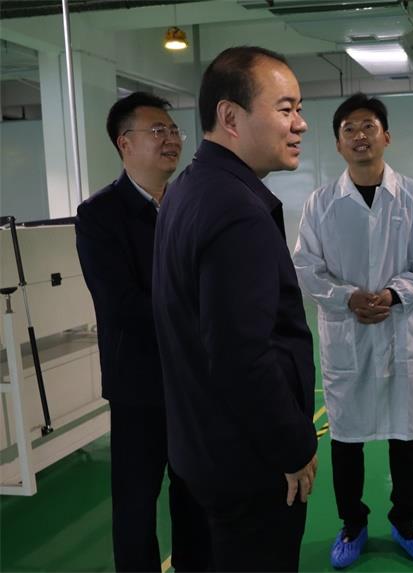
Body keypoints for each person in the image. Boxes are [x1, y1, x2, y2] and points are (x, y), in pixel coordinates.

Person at [151, 47, 318, 572]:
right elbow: (242, 356)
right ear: (230, 116)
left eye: (299, 109)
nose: (300, 124)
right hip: (248, 465)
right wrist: (292, 447)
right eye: (286, 109)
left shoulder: (186, 191)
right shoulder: (237, 209)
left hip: (199, 452)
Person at [293, 92, 413, 569]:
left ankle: (406, 522)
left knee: (406, 436)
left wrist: (394, 294)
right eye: (349, 129)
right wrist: (348, 297)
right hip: (348, 335)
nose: (360, 136)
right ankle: (353, 524)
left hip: (399, 333)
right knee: (346, 438)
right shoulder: (321, 203)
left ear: (386, 137)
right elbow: (306, 267)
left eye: (368, 126)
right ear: (338, 144)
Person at [75, 92, 210, 572]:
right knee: (136, 501)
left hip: (194, 381)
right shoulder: (99, 215)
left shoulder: (191, 204)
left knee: (195, 495)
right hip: (139, 385)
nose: (171, 139)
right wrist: (202, 317)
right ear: (125, 143)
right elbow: (121, 304)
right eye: (157, 131)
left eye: (173, 130)